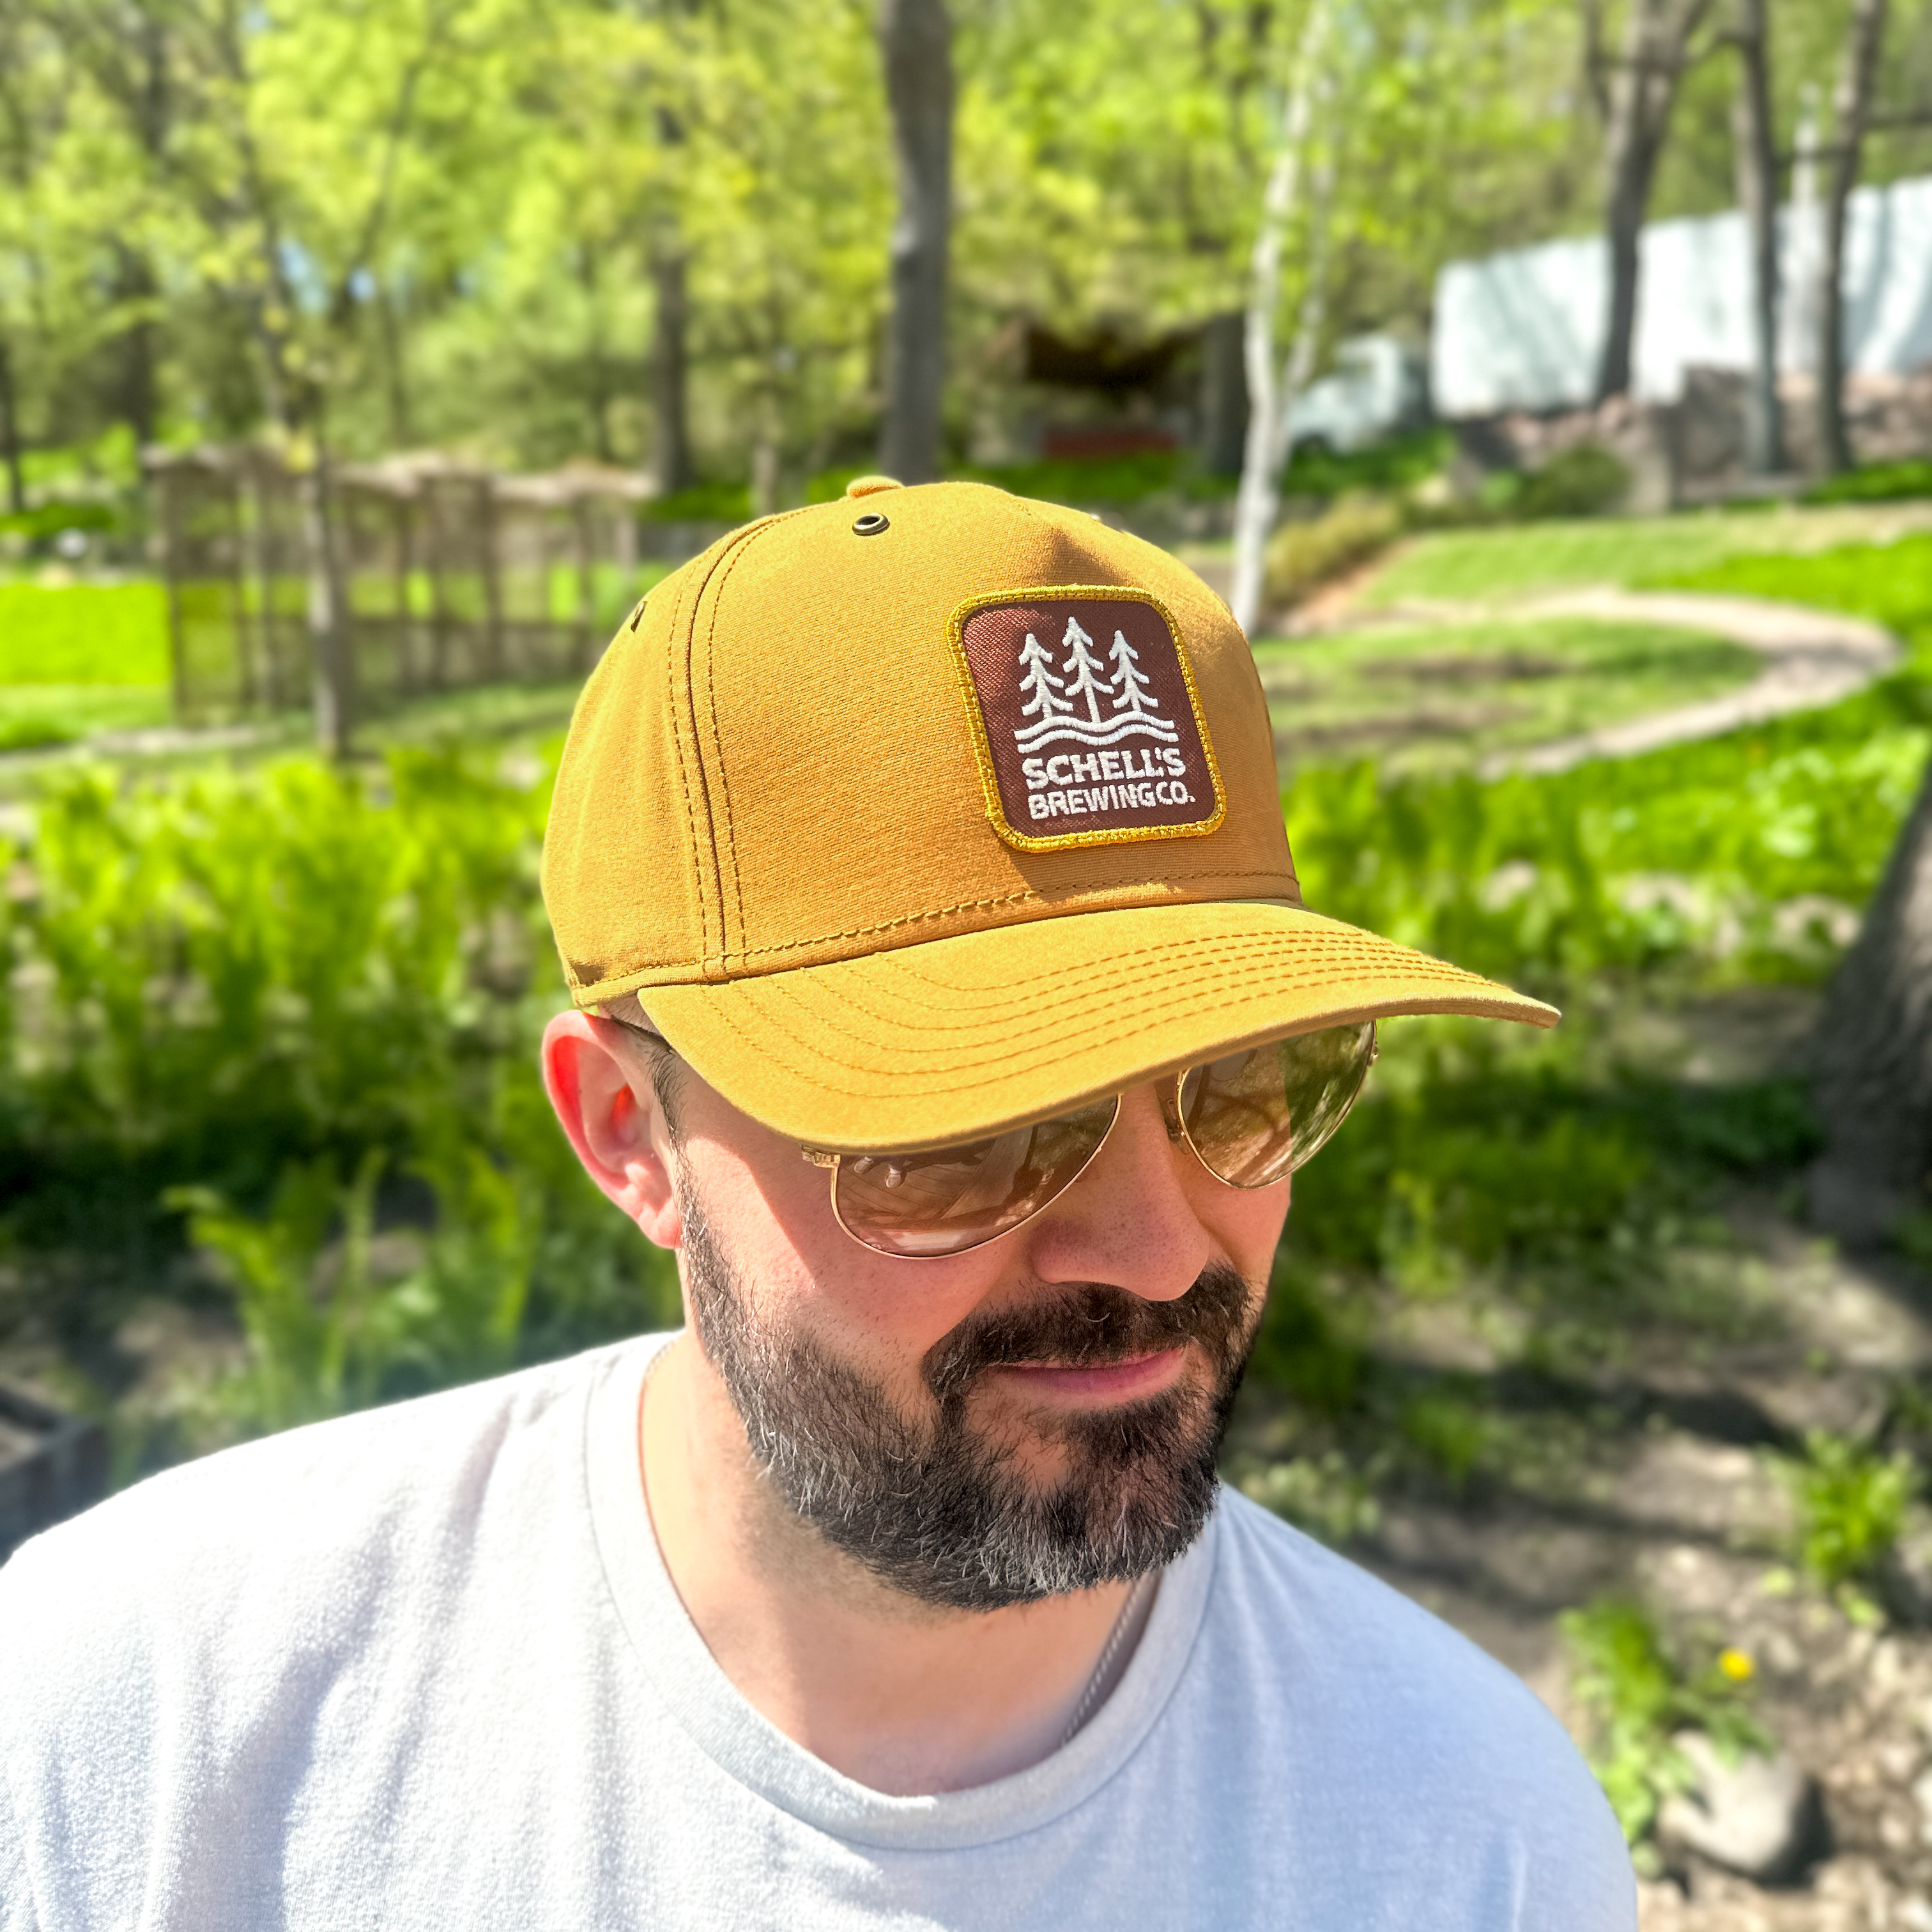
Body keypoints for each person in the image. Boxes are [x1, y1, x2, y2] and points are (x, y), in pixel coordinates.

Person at [0, 477, 1635, 1929]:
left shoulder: (1471, 1839)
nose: (1154, 1248)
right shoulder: (141, 1737)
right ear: (627, 1129)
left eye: (1245, 1087)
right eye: (967, 1126)